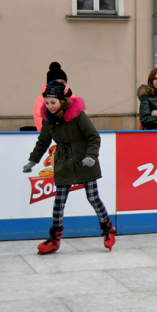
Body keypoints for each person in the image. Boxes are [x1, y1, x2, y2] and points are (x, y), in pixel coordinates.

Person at [23, 81, 115, 254]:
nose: (49, 106)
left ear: (63, 102)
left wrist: (91, 156)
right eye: (47, 102)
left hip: (84, 161)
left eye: (53, 103)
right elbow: (43, 142)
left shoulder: (78, 115)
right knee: (59, 202)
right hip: (63, 162)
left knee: (93, 198)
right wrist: (32, 161)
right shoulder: (49, 120)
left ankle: (108, 228)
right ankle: (54, 239)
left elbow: (94, 137)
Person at [33, 62, 69, 131]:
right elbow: (40, 121)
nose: (59, 84)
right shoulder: (41, 100)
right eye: (56, 81)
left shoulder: (71, 98)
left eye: (62, 82)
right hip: (51, 135)